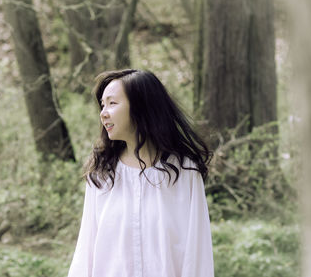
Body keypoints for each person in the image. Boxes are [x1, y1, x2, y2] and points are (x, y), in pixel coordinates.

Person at [67, 69, 214, 277]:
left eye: (112, 103)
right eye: (102, 105)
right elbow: (86, 251)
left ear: (140, 107)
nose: (103, 113)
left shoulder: (184, 173)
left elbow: (198, 256)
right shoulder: (102, 175)